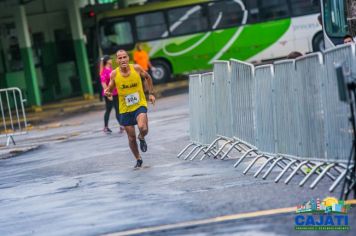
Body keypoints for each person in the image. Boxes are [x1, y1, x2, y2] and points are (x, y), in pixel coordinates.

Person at [105, 50, 156, 168]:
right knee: (131, 137)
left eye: (125, 57)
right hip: (125, 108)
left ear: (128, 58)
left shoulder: (136, 68)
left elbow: (148, 77)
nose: (123, 60)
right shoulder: (114, 74)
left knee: (143, 127)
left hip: (140, 104)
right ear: (116, 60)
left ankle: (142, 136)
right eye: (120, 58)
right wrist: (108, 92)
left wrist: (151, 93)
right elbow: (110, 88)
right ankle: (138, 158)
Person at [100, 55, 124, 134]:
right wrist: (108, 94)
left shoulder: (111, 69)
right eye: (110, 59)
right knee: (108, 110)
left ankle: (121, 125)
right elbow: (103, 84)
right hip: (109, 93)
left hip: (116, 92)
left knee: (118, 109)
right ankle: (106, 127)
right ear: (106, 61)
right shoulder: (103, 71)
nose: (111, 60)